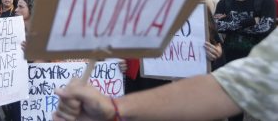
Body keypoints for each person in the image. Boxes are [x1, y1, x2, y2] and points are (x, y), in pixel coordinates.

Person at [52, 26, 278, 121]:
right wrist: (114, 109)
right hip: (143, 84)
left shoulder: (202, 13)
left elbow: (219, 59)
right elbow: (234, 86)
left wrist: (215, 53)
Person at [214, 0, 276, 64]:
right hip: (228, 60)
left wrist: (229, 24)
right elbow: (218, 27)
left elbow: (265, 29)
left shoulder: (267, 1)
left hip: (258, 61)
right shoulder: (224, 2)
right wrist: (251, 21)